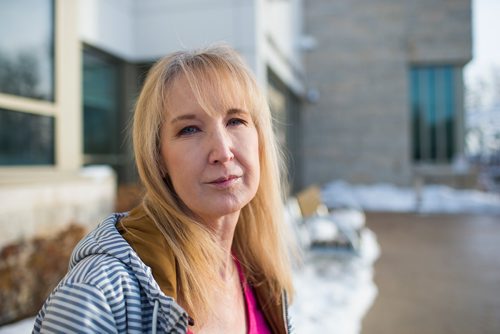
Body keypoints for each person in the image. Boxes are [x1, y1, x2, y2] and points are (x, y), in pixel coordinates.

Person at [33, 44, 295, 334]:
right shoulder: (96, 296)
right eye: (190, 129)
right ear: (158, 158)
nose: (222, 151)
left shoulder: (261, 279)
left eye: (236, 121)